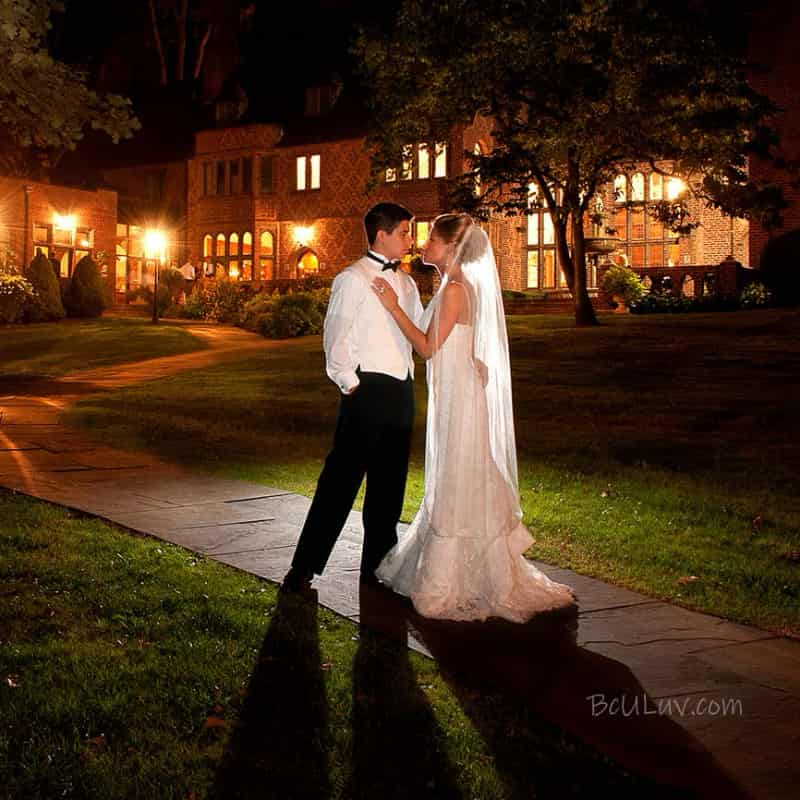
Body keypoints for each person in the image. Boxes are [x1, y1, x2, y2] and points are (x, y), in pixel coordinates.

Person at [370, 213, 576, 622]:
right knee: (464, 469)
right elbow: (460, 343)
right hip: (459, 391)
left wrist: (393, 308)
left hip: (460, 399)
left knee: (459, 471)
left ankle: (453, 579)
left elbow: (428, 348)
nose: (424, 244)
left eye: (431, 238)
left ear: (451, 247)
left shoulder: (454, 290)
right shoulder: (457, 286)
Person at [282, 202, 423, 593]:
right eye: (405, 233)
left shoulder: (408, 284)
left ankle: (378, 569)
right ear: (382, 235)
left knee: (389, 487)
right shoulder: (351, 279)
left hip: (401, 391)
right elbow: (336, 335)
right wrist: (349, 381)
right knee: (340, 483)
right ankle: (304, 567)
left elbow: (419, 332)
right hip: (366, 391)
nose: (410, 240)